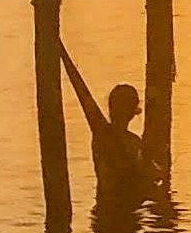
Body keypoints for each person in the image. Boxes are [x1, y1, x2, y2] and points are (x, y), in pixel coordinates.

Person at [59, 44, 153, 218]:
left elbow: (83, 95)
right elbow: (83, 94)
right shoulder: (109, 136)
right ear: (135, 111)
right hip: (125, 209)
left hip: (107, 209)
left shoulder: (110, 136)